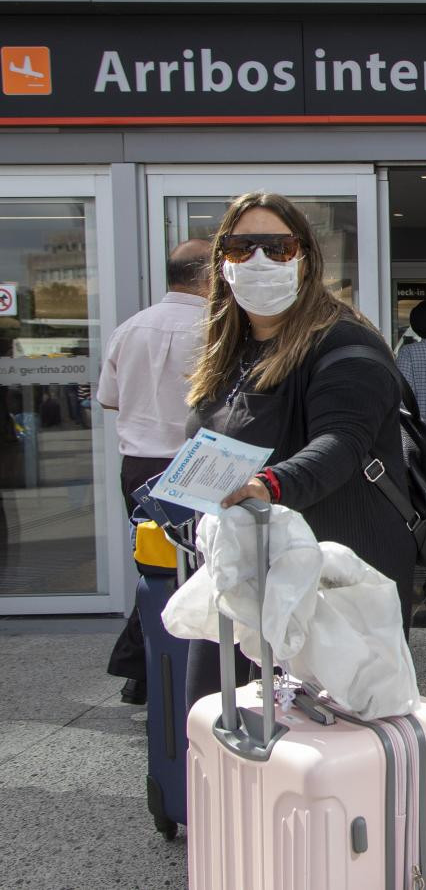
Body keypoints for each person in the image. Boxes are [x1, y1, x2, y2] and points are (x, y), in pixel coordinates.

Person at [183, 191, 415, 710]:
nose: (260, 261)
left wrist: (265, 485)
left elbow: (340, 443)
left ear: (306, 259)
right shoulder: (233, 351)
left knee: (336, 740)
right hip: (250, 570)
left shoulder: (346, 345)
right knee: (232, 728)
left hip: (338, 570)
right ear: (222, 263)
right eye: (243, 248)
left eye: (278, 248)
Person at [96, 238, 211, 705]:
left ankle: (144, 671)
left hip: (140, 465)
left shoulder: (128, 329)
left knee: (156, 566)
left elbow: (109, 398)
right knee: (201, 568)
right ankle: (150, 668)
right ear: (207, 277)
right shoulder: (218, 329)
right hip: (199, 463)